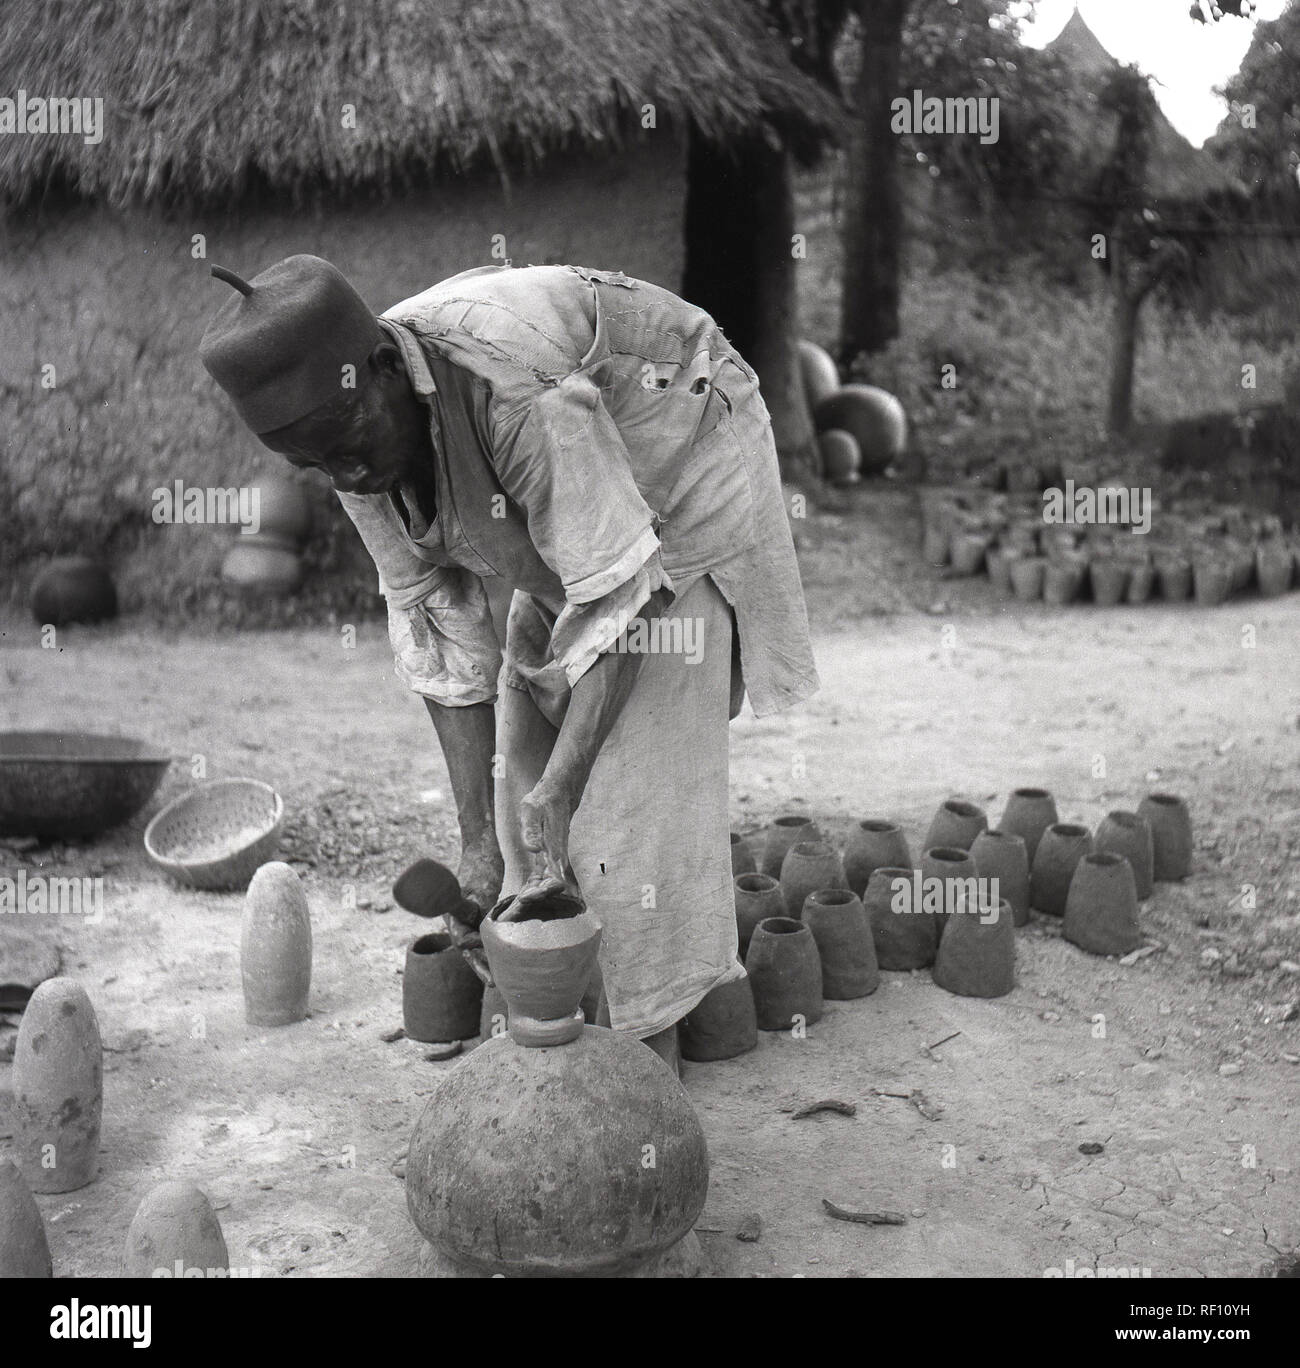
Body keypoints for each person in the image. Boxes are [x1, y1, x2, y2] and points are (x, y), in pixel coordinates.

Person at [200, 255, 818, 1067]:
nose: (346, 477)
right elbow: (441, 631)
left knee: (634, 794)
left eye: (348, 448)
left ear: (387, 368)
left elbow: (622, 605)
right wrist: (478, 847)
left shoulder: (519, 395)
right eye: (317, 467)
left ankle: (645, 1043)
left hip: (680, 443)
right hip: (578, 512)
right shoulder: (346, 436)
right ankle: (565, 990)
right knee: (518, 786)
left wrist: (565, 789)